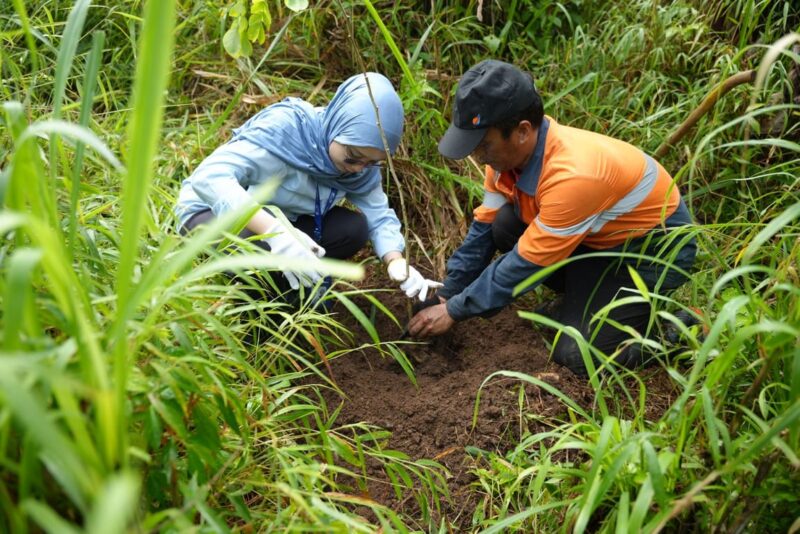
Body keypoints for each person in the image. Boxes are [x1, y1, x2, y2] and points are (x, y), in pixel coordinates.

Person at [408, 60, 697, 376]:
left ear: (522, 131)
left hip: (651, 254)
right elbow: (484, 229)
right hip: (598, 242)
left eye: (483, 145)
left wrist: (453, 310)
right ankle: (580, 302)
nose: (478, 156)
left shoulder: (573, 176)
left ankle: (681, 331)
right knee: (505, 225)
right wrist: (448, 291)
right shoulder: (503, 163)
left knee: (577, 356)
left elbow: (525, 263)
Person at [176, 72, 441, 305]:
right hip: (211, 214)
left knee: (353, 229)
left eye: (372, 162)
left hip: (285, 220)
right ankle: (249, 302)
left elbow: (378, 215)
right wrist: (275, 233)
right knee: (259, 255)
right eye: (353, 157)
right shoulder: (287, 130)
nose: (359, 168)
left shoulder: (361, 165)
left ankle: (293, 288)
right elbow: (209, 178)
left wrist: (396, 261)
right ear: (337, 126)